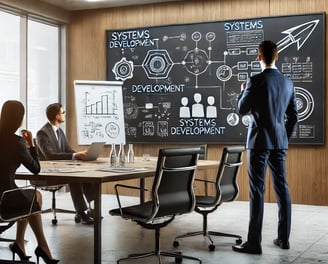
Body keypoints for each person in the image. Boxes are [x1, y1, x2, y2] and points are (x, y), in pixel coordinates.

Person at [232, 40, 298, 254]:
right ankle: (284, 239)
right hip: (279, 143)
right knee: (282, 189)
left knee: (257, 192)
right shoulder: (288, 83)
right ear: (276, 57)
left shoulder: (254, 81)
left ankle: (254, 243)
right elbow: (293, 117)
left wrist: (243, 91)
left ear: (259, 57)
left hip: (259, 143)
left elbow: (242, 109)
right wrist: (283, 137)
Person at [0, 100, 59, 263]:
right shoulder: (17, 142)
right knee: (35, 197)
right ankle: (42, 246)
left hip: (4, 197)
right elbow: (35, 168)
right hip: (4, 201)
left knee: (26, 197)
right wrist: (31, 144)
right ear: (19, 119)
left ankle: (20, 243)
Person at [36, 103, 94, 225]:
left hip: (60, 170)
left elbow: (68, 150)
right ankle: (81, 212)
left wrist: (80, 155)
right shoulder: (42, 133)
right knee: (74, 178)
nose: (65, 115)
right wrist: (75, 155)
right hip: (47, 173)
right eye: (63, 113)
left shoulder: (59, 131)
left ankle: (92, 208)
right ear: (57, 116)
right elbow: (50, 156)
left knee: (86, 175)